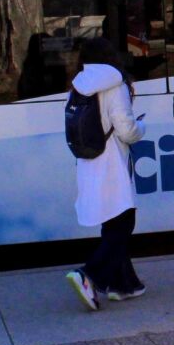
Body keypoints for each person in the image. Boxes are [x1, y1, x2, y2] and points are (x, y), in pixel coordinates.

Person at [65, 37, 147, 309]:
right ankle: (89, 275)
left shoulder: (78, 86)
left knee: (112, 223)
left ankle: (124, 285)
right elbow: (126, 129)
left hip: (89, 162)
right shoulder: (115, 84)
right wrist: (141, 129)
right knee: (123, 223)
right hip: (112, 162)